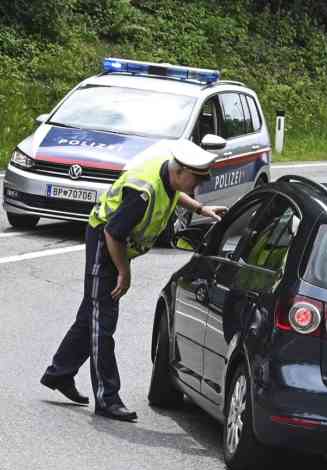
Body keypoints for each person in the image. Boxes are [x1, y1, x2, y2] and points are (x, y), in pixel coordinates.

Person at [39, 141, 226, 422]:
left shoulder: (170, 176)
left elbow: (175, 194)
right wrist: (124, 273)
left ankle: (60, 373)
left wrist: (200, 208)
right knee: (103, 322)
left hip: (114, 243)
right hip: (106, 243)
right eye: (196, 180)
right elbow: (113, 234)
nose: (197, 186)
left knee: (91, 313)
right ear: (180, 172)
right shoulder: (143, 192)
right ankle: (107, 398)